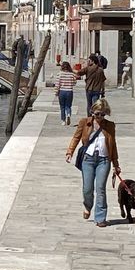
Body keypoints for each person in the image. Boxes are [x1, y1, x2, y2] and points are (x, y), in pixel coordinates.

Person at [66, 98, 121, 227]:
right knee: (87, 189)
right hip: (88, 159)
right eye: (97, 114)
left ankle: (100, 218)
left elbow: (113, 144)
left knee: (100, 189)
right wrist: (70, 152)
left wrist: (116, 164)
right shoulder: (84, 123)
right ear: (92, 112)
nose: (100, 117)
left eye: (103, 114)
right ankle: (88, 205)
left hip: (103, 160)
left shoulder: (110, 126)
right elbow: (76, 137)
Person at [55, 60, 78, 126]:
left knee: (62, 107)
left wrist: (56, 92)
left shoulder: (59, 74)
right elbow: (74, 83)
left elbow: (57, 84)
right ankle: (68, 114)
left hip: (62, 92)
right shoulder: (72, 74)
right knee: (68, 106)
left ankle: (63, 121)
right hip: (69, 91)